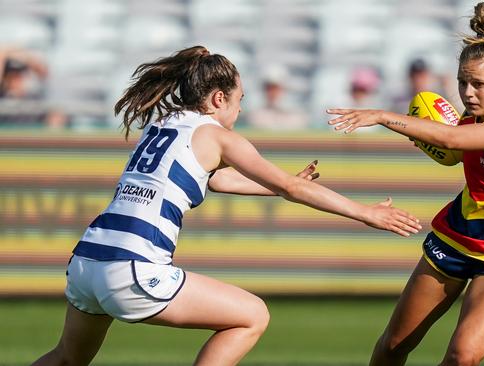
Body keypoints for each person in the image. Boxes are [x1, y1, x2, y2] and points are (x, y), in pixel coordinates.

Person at [32, 46, 422, 366]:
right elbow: (289, 186)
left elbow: (212, 178)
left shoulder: (164, 124)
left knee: (67, 359)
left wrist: (275, 189)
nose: (239, 111)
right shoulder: (217, 135)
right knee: (252, 316)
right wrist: (365, 212)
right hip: (132, 268)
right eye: (239, 101)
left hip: (86, 262)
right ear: (219, 98)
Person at [328, 3, 484, 365]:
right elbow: (454, 148)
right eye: (463, 82)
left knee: (462, 356)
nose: (468, 92)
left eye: (478, 84)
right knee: (393, 347)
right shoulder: (471, 117)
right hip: (457, 236)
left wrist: (383, 116)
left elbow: (452, 143)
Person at [0, 47, 67, 128]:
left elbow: (43, 72)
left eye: (20, 75)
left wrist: (25, 56)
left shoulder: (34, 96)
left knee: (56, 116)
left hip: (30, 138)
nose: (16, 79)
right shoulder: (3, 95)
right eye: (11, 75)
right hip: (6, 138)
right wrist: (6, 52)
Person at [246, 64, 308, 130]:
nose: (272, 93)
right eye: (269, 88)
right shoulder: (255, 116)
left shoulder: (298, 116)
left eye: (276, 88)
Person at [390, 58, 460, 114]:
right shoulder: (400, 101)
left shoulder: (437, 99)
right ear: (409, 77)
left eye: (422, 76)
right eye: (415, 76)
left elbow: (456, 116)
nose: (418, 80)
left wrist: (448, 90)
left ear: (428, 76)